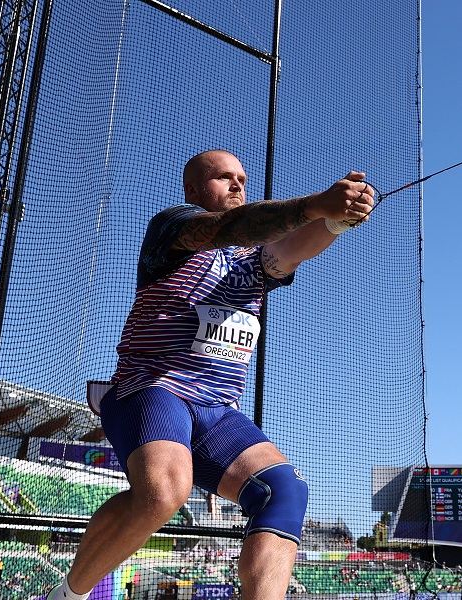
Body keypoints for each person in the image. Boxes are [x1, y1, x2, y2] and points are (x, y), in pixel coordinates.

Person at [44, 149, 376, 600]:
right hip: (153, 388)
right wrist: (317, 204)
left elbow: (291, 248)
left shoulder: (254, 260)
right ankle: (68, 594)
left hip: (217, 409)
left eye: (242, 177)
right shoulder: (174, 227)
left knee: (285, 491)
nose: (238, 185)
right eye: (224, 178)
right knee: (163, 493)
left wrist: (340, 219)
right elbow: (228, 228)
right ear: (195, 190)